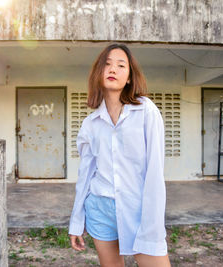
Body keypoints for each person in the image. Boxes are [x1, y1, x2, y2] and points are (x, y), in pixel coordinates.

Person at [69, 43, 171, 267]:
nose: (113, 69)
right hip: (99, 209)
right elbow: (85, 175)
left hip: (137, 208)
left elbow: (155, 172)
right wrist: (76, 222)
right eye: (107, 64)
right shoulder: (90, 124)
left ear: (129, 78)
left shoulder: (146, 111)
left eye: (121, 65)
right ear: (98, 73)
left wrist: (152, 226)